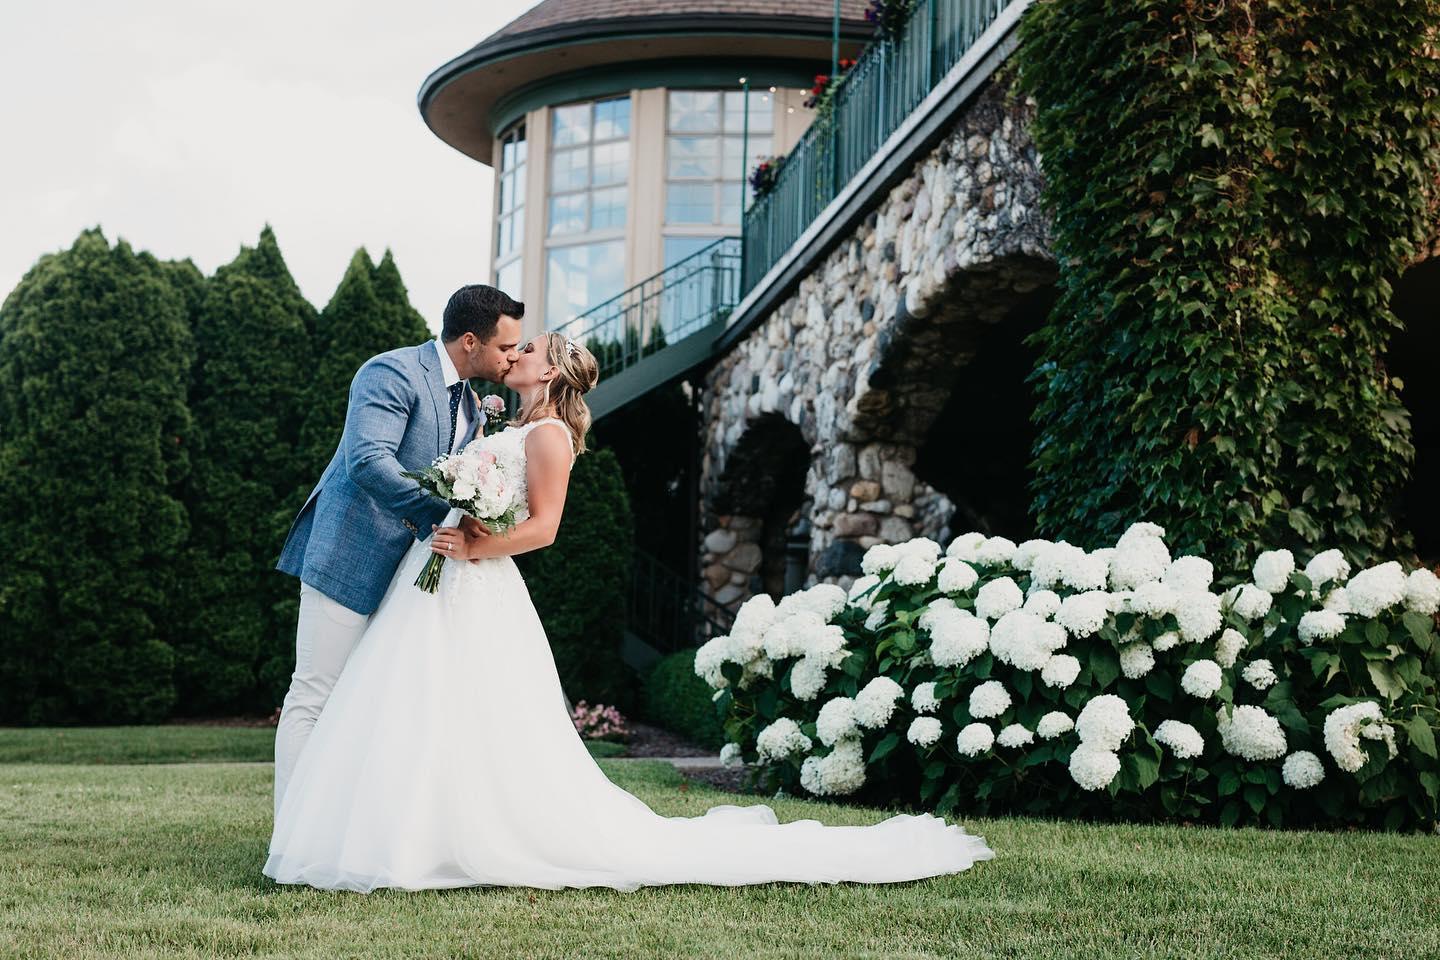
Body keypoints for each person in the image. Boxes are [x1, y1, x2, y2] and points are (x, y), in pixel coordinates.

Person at [263, 328, 995, 893]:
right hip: (439, 577)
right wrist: (461, 516)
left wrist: (477, 544)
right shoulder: (497, 421)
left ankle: (464, 833)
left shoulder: (548, 436)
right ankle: (410, 828)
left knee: (475, 710)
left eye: (528, 349)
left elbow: (544, 529)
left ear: (550, 371)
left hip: (476, 578)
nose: (515, 353)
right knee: (422, 702)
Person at [271, 284, 522, 821]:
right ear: (471, 341)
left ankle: (341, 828)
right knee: (314, 697)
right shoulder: (392, 372)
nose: (511, 358)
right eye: (505, 347)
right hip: (350, 555)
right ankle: (290, 834)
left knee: (367, 706)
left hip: (408, 577)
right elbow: (368, 461)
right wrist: (445, 514)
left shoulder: (471, 403)